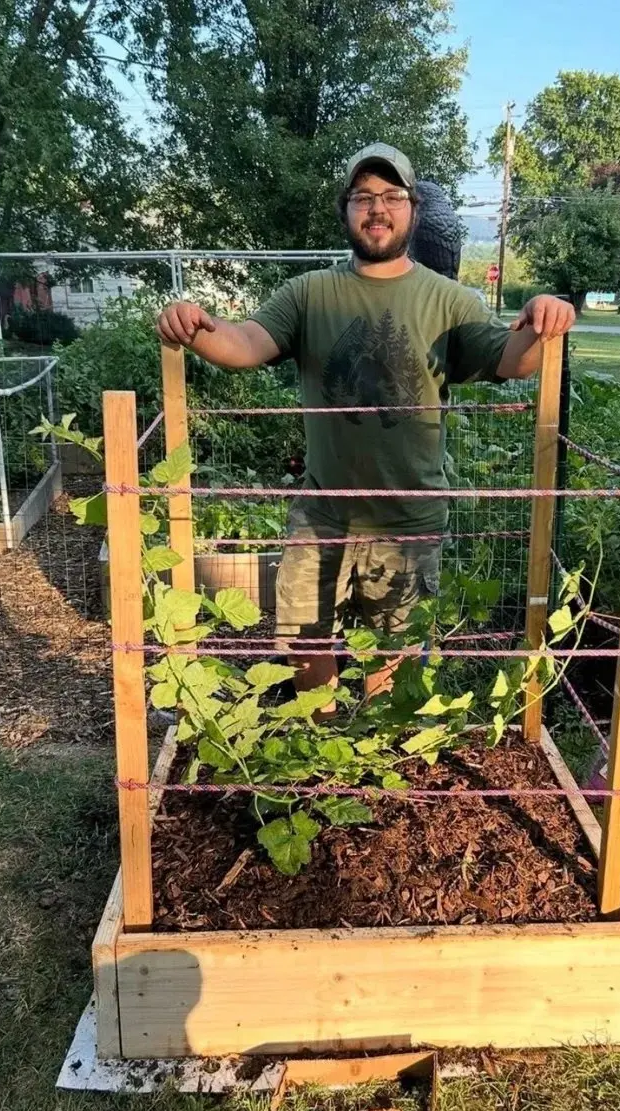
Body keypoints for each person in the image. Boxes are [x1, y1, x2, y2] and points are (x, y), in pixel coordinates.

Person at [156, 142, 575, 705]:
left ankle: (380, 758)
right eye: (364, 196)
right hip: (322, 509)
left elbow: (510, 358)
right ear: (346, 209)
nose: (378, 208)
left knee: (392, 654)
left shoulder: (449, 299)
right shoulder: (309, 294)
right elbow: (248, 343)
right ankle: (318, 746)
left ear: (412, 209)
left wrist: (544, 321)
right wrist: (197, 326)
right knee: (304, 642)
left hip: (407, 516)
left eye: (392, 196)